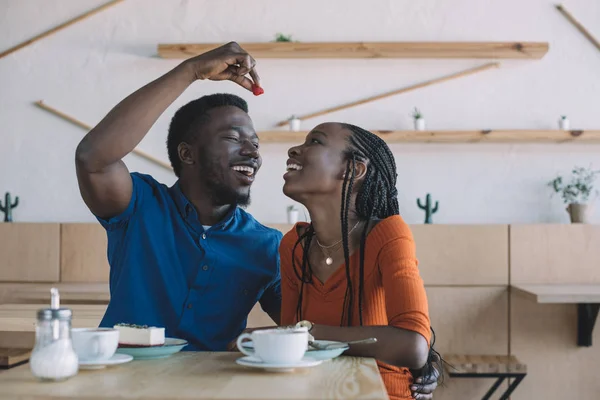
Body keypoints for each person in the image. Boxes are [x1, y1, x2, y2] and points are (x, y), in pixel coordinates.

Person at [74, 42, 438, 398]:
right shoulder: (140, 206)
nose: (252, 151)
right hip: (116, 387)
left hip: (213, 391)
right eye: (234, 138)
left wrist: (417, 354)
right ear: (188, 154)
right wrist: (192, 70)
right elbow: (93, 157)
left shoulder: (267, 246)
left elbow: (302, 333)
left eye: (256, 143)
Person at [278, 122, 441, 399]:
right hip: (313, 391)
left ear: (353, 169)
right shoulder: (293, 245)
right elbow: (291, 346)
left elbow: (414, 346)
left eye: (315, 142)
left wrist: (306, 333)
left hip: (381, 391)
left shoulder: (388, 234)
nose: (294, 150)